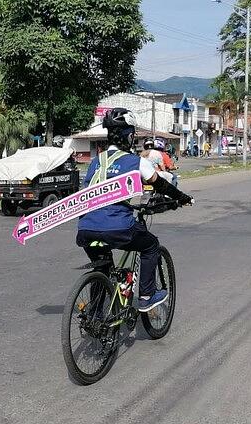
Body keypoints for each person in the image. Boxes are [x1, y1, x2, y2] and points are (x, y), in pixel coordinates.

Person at [78, 108, 193, 312]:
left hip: (86, 228)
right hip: (118, 228)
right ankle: (147, 295)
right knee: (150, 246)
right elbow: (161, 185)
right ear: (130, 136)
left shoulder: (96, 162)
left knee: (102, 266)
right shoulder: (136, 162)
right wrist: (182, 198)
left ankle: (95, 314)